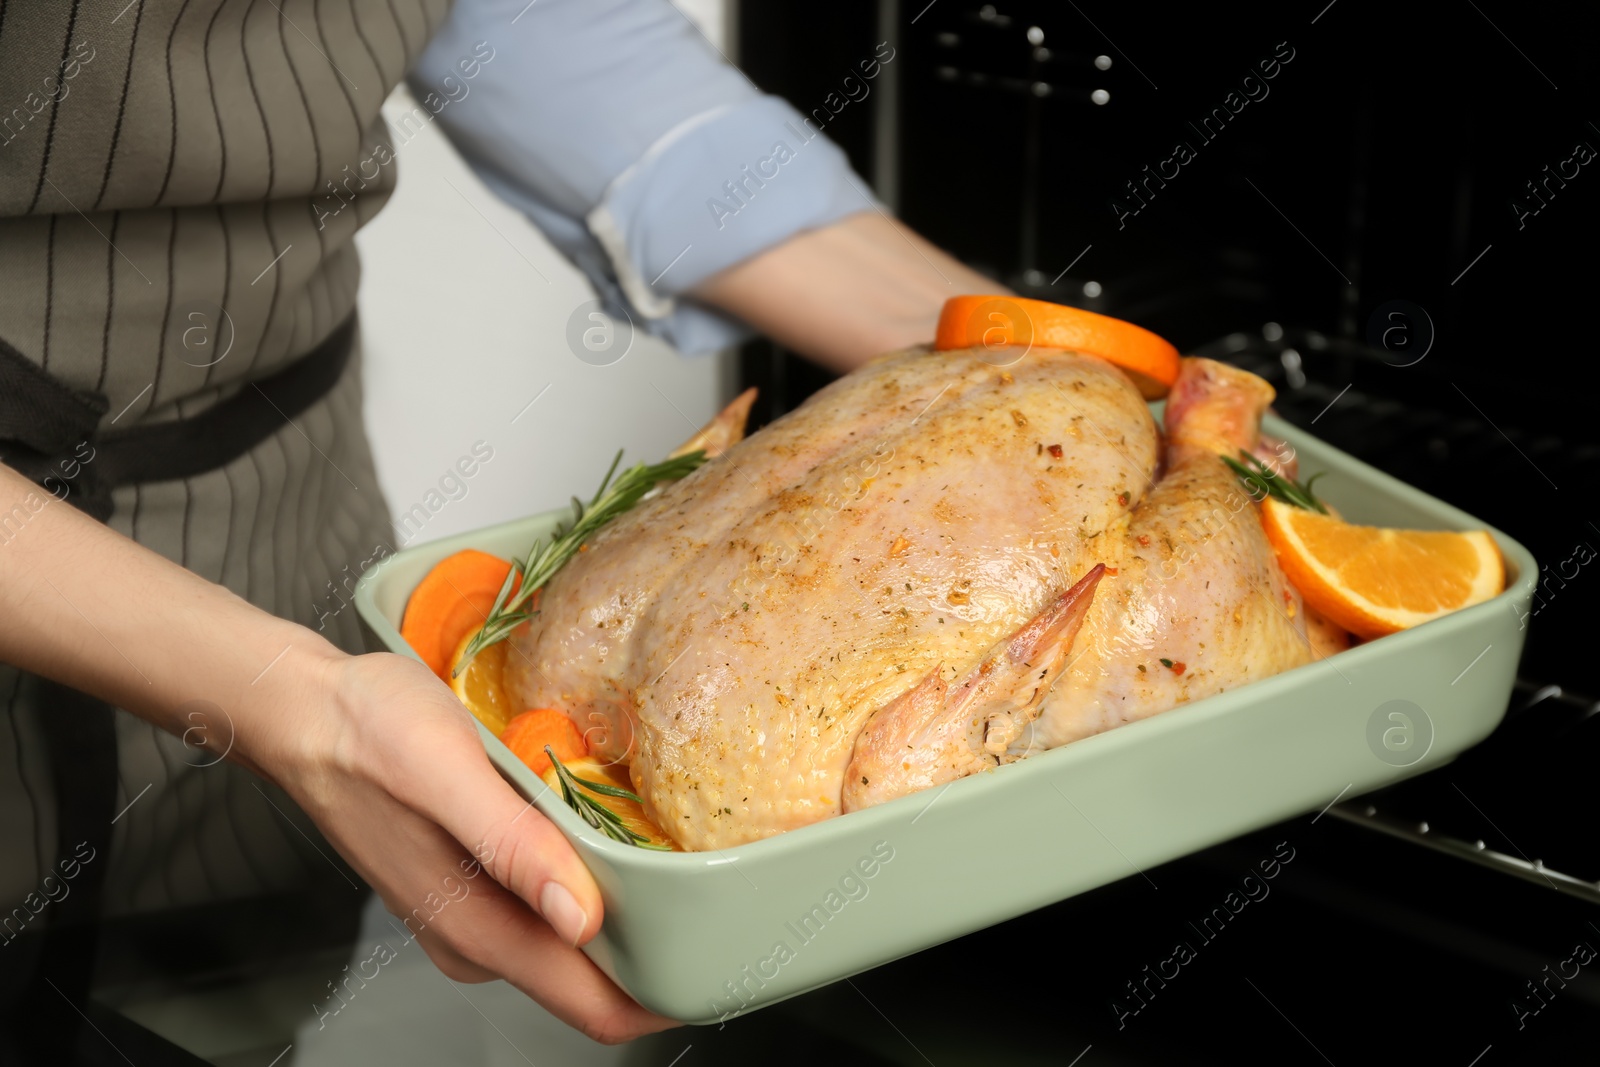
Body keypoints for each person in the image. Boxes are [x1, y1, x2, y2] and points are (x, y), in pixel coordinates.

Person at [0, 0, 1000, 1044]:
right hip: (238, 670)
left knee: (229, 1006)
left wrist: (1025, 353)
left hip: (275, 517)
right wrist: (304, 708)